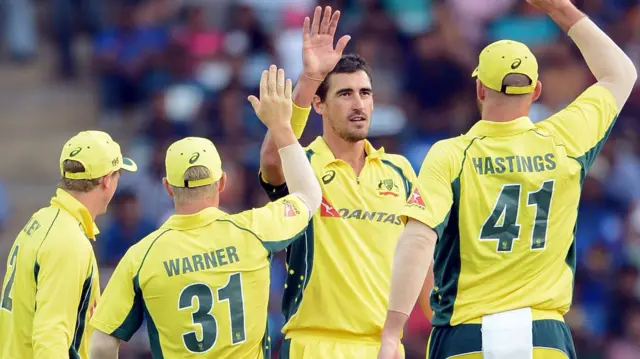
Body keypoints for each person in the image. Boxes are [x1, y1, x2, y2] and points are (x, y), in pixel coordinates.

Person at [377, 0, 638, 358]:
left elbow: (417, 242)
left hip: (468, 335)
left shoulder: (452, 153)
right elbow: (621, 73)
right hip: (544, 336)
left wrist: (393, 331)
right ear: (536, 92)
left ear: (480, 90)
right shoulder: (566, 140)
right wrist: (563, 10)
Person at [88, 65, 322, 359]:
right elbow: (309, 196)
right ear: (222, 182)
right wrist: (281, 127)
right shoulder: (255, 229)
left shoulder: (141, 256)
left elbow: (102, 344)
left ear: (168, 187)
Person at [259, 6, 432, 358]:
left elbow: (420, 260)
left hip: (383, 347)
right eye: (345, 94)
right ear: (319, 105)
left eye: (365, 93)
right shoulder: (303, 163)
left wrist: (447, 331)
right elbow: (273, 160)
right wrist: (309, 79)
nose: (359, 104)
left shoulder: (399, 171)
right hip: (314, 343)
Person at [0, 131, 138, 359]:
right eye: (118, 174)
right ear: (106, 180)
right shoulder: (68, 240)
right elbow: (50, 337)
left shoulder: (41, 220)